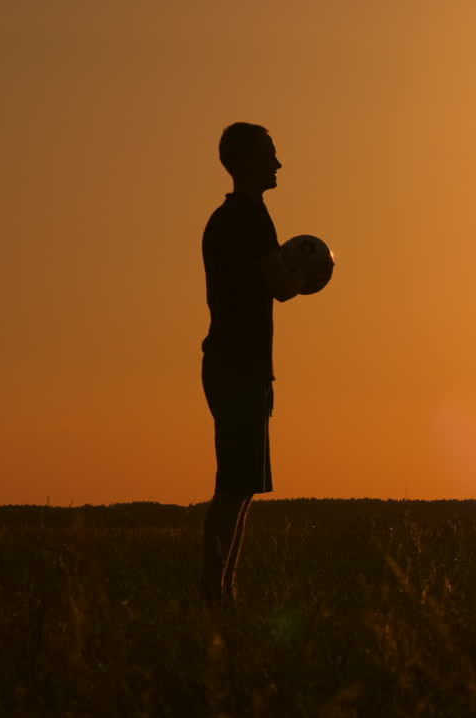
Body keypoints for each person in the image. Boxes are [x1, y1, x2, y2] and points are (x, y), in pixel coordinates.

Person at [200, 122, 304, 607]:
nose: (278, 164)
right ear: (247, 162)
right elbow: (280, 287)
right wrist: (309, 272)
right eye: (271, 155)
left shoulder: (222, 220)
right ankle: (214, 593)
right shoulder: (253, 218)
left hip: (231, 362)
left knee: (240, 486)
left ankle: (223, 592)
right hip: (240, 365)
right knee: (233, 487)